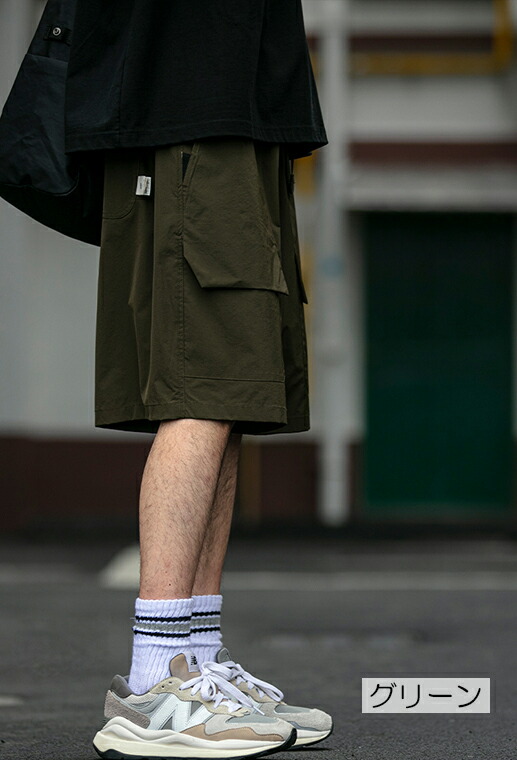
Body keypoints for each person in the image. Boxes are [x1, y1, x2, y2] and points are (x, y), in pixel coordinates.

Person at [63, 2, 330, 758]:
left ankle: (196, 661)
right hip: (194, 121)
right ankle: (156, 686)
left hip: (233, 123)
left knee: (230, 397)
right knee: (204, 391)